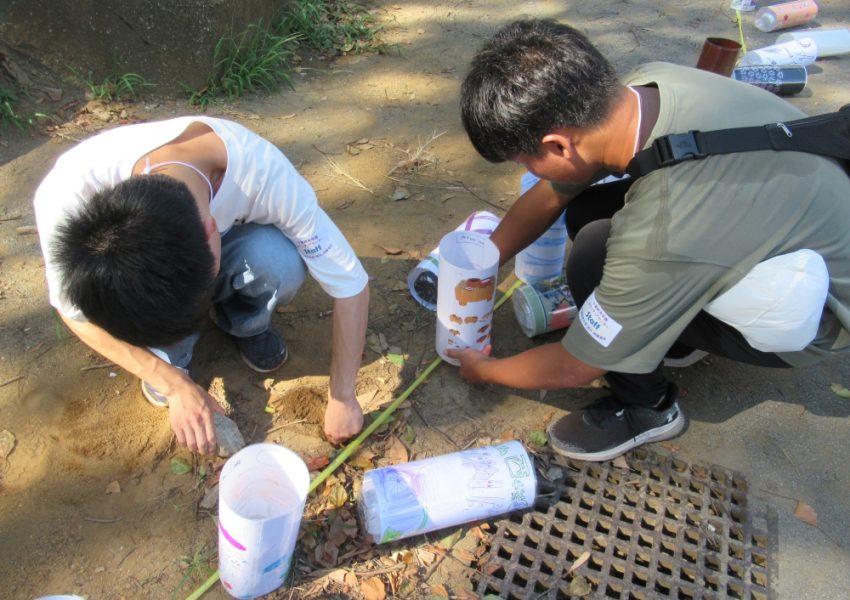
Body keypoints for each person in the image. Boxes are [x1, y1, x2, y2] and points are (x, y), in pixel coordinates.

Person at [448, 19, 850, 461]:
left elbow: (576, 365)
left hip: (822, 317)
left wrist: (485, 369)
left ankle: (648, 409)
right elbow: (555, 191)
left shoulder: (666, 226)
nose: (528, 171)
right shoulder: (646, 86)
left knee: (592, 261)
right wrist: (484, 262)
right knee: (586, 207)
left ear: (559, 145)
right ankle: (671, 330)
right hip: (797, 215)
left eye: (525, 160)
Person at [34, 116, 370, 455]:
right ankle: (170, 357)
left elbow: (351, 284)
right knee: (161, 352)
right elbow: (71, 311)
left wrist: (343, 396)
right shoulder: (67, 195)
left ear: (213, 229)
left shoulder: (266, 177)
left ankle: (245, 321)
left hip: (242, 244)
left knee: (279, 261)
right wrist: (172, 382)